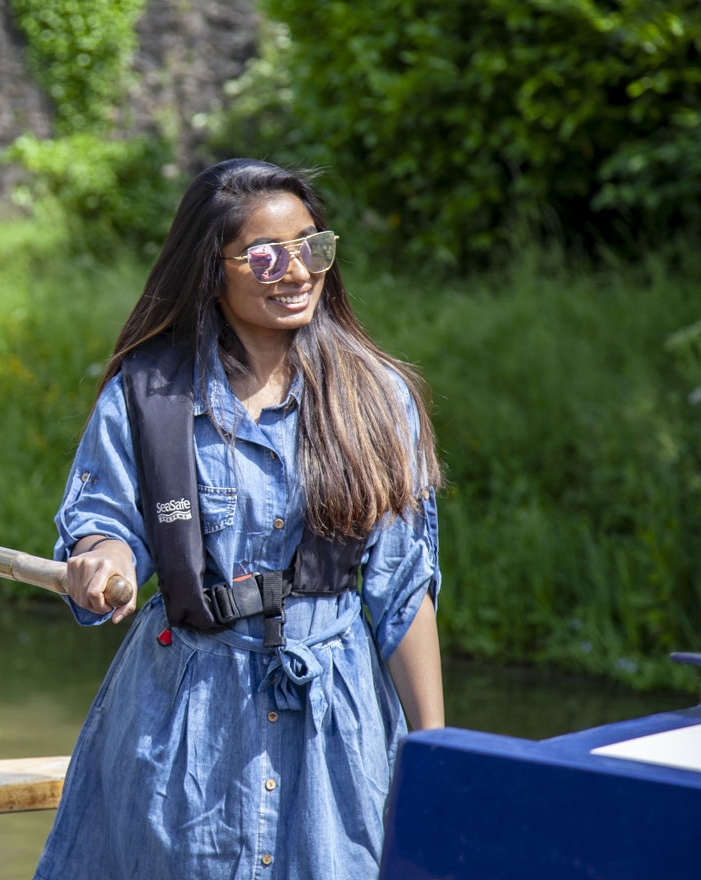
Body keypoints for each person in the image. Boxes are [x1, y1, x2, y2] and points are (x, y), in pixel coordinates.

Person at [33, 158, 444, 880]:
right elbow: (104, 520)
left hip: (334, 724)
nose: (296, 270)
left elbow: (403, 591)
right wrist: (106, 558)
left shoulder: (377, 397)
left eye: (313, 246)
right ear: (212, 270)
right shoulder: (148, 392)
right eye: (264, 255)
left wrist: (436, 751)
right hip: (185, 718)